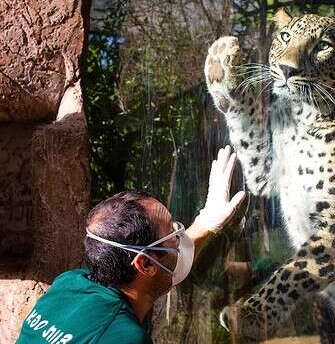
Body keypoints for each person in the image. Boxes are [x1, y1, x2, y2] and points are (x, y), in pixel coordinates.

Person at [15, 146, 246, 344]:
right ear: (145, 264)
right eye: (173, 234)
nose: (180, 235)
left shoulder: (70, 283)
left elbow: (167, 264)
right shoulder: (122, 337)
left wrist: (206, 220)